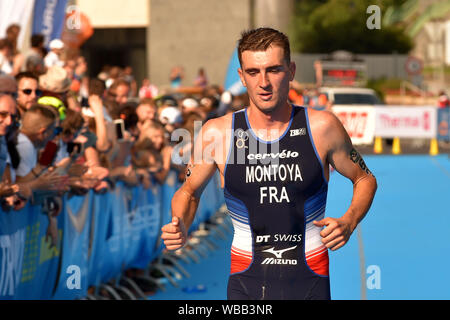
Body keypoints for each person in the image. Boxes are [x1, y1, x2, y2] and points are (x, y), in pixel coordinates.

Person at [160, 27, 377, 300]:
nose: (264, 82)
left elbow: (365, 178)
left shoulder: (322, 127)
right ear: (242, 76)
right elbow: (189, 192)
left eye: (273, 70)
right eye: (253, 72)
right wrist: (179, 222)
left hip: (309, 280)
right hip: (246, 282)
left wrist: (349, 220)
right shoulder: (218, 133)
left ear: (291, 71)